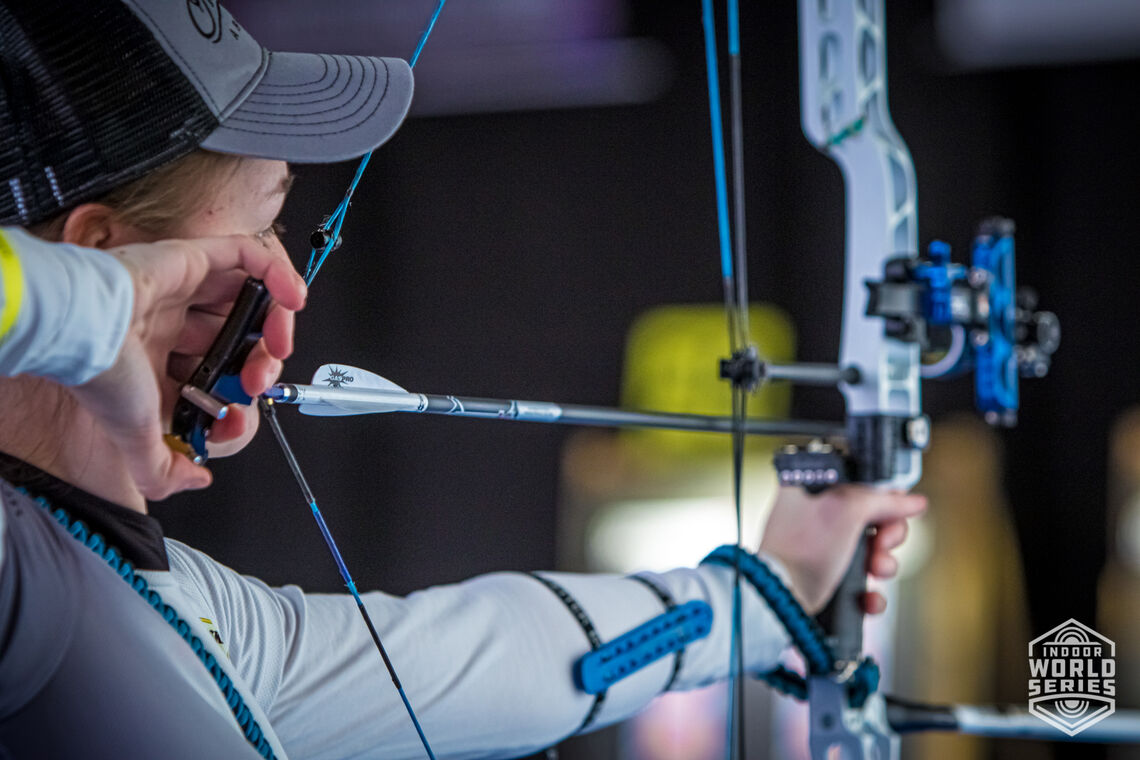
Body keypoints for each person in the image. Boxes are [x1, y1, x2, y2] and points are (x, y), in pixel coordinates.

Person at [0, 1, 925, 758]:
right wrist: (96, 310)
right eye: (259, 230)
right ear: (100, 255)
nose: (281, 276)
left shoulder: (170, 600)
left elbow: (478, 657)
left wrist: (766, 595)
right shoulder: (18, 583)